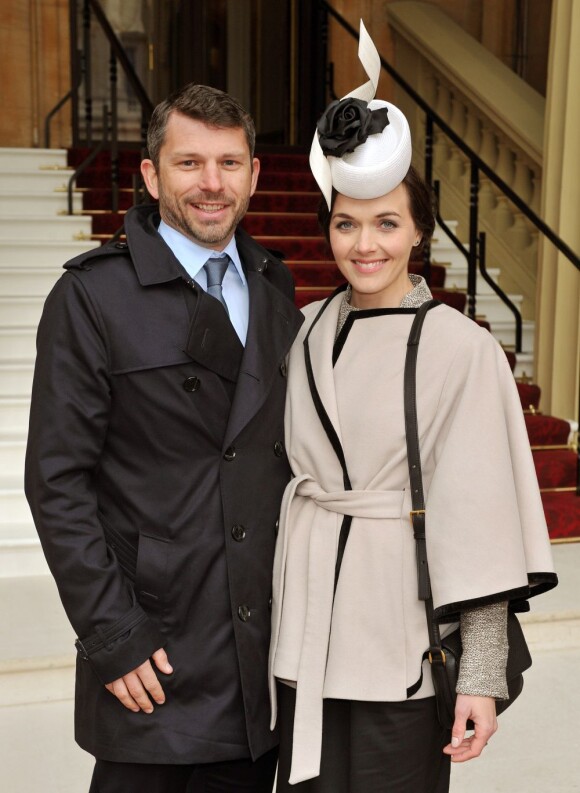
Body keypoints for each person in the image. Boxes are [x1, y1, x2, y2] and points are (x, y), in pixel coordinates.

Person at [268, 23, 557, 793]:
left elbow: (483, 519)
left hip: (405, 647)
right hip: (307, 637)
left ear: (421, 231)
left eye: (387, 223)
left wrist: (482, 677)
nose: (365, 244)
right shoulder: (306, 331)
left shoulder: (460, 347)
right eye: (347, 222)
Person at [24, 83, 304, 793]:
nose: (212, 183)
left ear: (254, 174)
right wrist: (113, 635)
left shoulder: (276, 285)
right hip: (155, 651)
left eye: (230, 162)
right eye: (189, 163)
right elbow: (56, 481)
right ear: (151, 175)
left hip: (258, 647)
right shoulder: (91, 296)